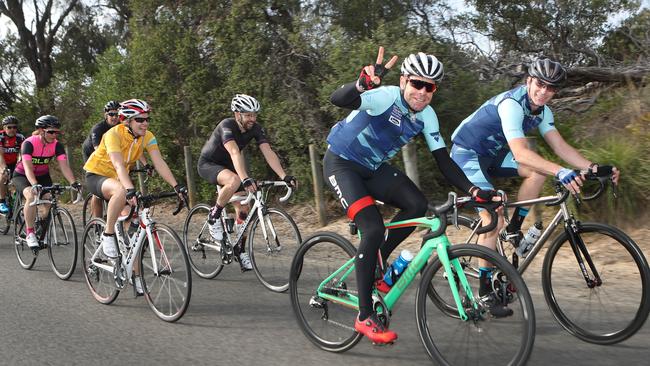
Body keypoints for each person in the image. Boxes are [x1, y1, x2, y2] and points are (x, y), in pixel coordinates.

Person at [323, 47, 499, 344]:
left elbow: (444, 160)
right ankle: (365, 315)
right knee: (373, 227)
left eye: (429, 87)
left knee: (417, 205)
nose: (422, 92)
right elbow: (338, 100)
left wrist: (473, 190)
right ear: (404, 80)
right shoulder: (385, 96)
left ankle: (379, 257)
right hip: (342, 163)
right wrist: (361, 84)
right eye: (417, 83)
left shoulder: (427, 116)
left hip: (373, 167)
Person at [450, 58, 620, 303]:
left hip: (493, 154)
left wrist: (593, 167)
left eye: (551, 88)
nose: (544, 91)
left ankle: (514, 228)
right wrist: (561, 172)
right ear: (529, 80)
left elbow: (560, 146)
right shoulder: (512, 105)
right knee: (493, 216)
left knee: (538, 171)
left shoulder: (543, 112)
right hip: (467, 153)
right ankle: (485, 290)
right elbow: (520, 154)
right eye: (540, 83)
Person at [197, 93, 296, 272]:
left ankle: (240, 250)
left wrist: (284, 176)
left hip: (231, 167)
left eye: (254, 114)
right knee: (234, 180)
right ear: (237, 114)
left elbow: (268, 152)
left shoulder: (255, 128)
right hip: (209, 164)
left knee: (244, 209)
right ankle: (214, 216)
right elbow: (235, 152)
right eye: (248, 115)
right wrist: (245, 178)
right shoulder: (226, 126)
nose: (252, 118)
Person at [83, 99, 187, 262]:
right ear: (127, 121)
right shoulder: (113, 134)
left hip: (118, 178)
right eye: (140, 119)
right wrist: (130, 190)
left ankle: (136, 278)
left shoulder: (147, 136)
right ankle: (108, 234)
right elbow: (118, 165)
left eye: (147, 119)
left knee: (133, 217)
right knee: (122, 191)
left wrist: (176, 186)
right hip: (97, 175)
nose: (145, 123)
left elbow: (159, 162)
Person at [12, 115, 81, 249]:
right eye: (51, 132)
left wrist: (74, 182)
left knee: (49, 199)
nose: (54, 135)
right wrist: (33, 184)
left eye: (56, 132)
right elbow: (27, 167)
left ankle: (41, 226)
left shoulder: (57, 145)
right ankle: (30, 232)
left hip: (43, 176)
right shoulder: (28, 143)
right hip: (23, 175)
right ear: (41, 131)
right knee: (31, 196)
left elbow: (64, 166)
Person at [81, 101, 122, 220]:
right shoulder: (98, 128)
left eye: (117, 114)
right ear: (106, 115)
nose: (114, 117)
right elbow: (98, 151)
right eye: (111, 114)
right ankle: (97, 223)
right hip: (92, 154)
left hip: (110, 154)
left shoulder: (121, 128)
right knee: (97, 192)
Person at [0, 115, 25, 214]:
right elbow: (0, 155)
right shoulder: (1, 137)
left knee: (23, 178)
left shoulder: (20, 137)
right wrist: (3, 168)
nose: (12, 129)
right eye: (9, 127)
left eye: (14, 127)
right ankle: (1, 201)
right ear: (4, 127)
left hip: (13, 162)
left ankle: (16, 200)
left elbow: (23, 153)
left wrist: (20, 163)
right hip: (1, 161)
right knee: (3, 175)